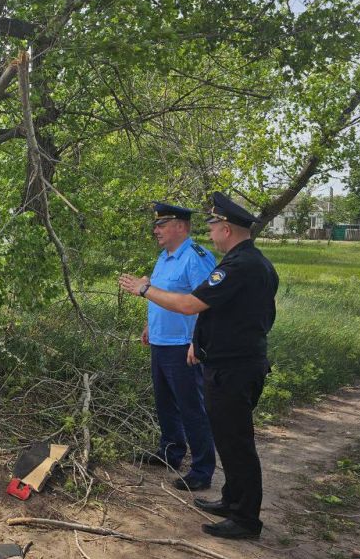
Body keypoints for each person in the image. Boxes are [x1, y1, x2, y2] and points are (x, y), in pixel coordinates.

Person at [119, 192, 279, 540]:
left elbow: (194, 304)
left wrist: (145, 291)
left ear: (227, 228)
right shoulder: (251, 263)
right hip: (228, 360)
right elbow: (232, 312)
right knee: (228, 436)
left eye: (214, 225)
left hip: (234, 366)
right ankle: (231, 500)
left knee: (236, 443)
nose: (211, 231)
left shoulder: (238, 265)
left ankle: (246, 519)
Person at [139, 202, 218, 493]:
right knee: (166, 404)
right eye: (156, 225)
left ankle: (201, 469)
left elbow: (210, 304)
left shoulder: (196, 258)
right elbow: (162, 296)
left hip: (184, 346)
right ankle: (170, 453)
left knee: (191, 408)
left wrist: (199, 342)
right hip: (161, 342)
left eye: (162, 224)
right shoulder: (165, 257)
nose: (155, 230)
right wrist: (150, 325)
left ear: (181, 227)